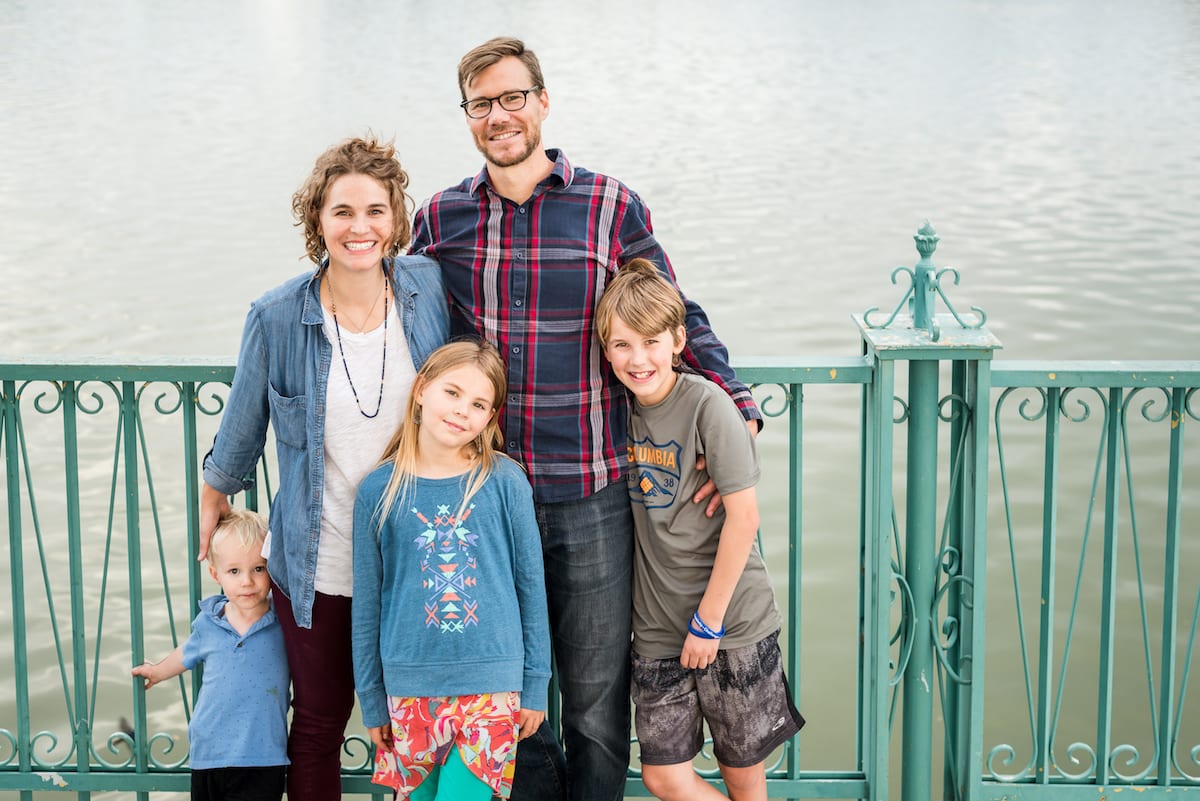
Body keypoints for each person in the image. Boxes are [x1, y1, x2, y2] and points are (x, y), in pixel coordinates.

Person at [410, 36, 762, 801]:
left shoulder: (608, 205)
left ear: (541, 101)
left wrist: (732, 402)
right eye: (482, 104)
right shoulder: (439, 218)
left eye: (512, 98)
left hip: (594, 492)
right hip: (486, 495)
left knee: (598, 706)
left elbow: (676, 311)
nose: (499, 115)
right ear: (466, 117)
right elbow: (399, 330)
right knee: (507, 690)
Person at [198, 135, 450, 800]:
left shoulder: (426, 289)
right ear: (317, 220)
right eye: (342, 211)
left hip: (418, 559)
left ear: (395, 218)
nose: (359, 227)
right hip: (320, 567)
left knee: (416, 724)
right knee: (316, 727)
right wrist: (211, 514)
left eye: (374, 210)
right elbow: (238, 439)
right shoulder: (277, 316)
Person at [594, 259, 804, 801]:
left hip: (732, 622)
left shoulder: (707, 403)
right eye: (620, 345)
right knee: (664, 775)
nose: (637, 359)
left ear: (678, 339)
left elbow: (745, 517)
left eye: (650, 342)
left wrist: (709, 622)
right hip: (659, 630)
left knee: (743, 777)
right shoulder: (616, 411)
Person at [350, 339, 552, 801]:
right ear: (421, 389)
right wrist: (372, 695)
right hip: (408, 686)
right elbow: (368, 604)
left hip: (493, 685)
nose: (462, 410)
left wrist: (536, 684)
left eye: (479, 404)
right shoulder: (379, 490)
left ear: (490, 418)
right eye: (452, 393)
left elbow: (530, 588)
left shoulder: (503, 480)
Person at [132, 508, 289, 801]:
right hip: (209, 752)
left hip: (262, 755)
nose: (247, 581)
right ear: (216, 574)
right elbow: (187, 654)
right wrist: (156, 671)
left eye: (258, 568)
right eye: (234, 571)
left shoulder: (282, 621)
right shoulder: (209, 622)